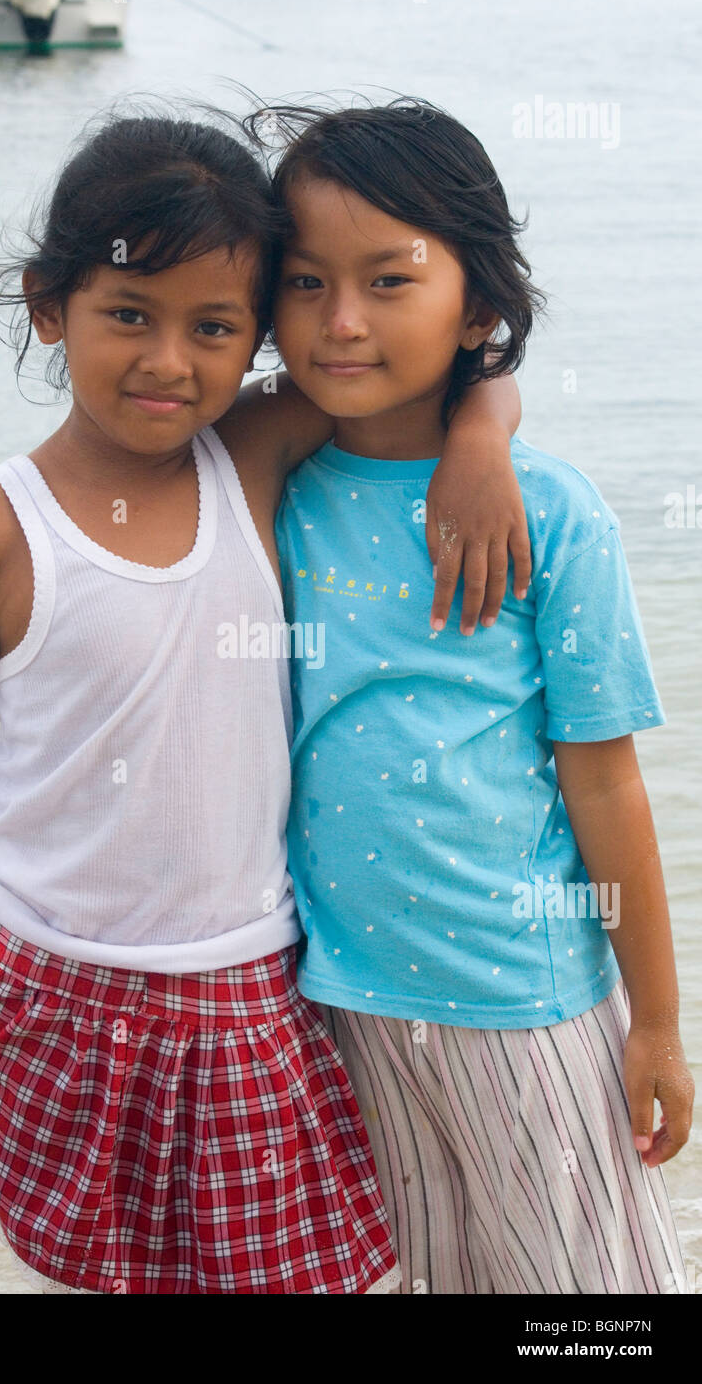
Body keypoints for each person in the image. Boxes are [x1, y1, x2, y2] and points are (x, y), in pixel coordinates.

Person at [0, 109, 524, 1294]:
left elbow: (430, 375)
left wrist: (482, 437)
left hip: (249, 989)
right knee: (63, 1276)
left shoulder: (252, 453)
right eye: (128, 314)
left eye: (214, 327)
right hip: (47, 993)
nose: (169, 362)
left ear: (256, 337)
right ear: (46, 304)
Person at [264, 97, 694, 1294]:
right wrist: (481, 416)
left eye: (389, 281)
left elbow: (603, 779)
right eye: (303, 282)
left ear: (480, 305)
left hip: (523, 996)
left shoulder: (549, 512)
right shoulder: (272, 486)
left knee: (591, 1300)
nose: (341, 321)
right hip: (337, 1001)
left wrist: (654, 1023)